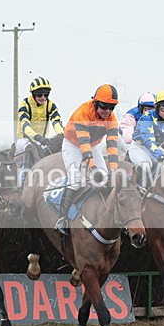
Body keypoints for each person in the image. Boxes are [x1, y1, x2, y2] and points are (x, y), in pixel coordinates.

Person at [55, 84, 120, 234]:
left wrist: (114, 169)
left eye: (111, 107)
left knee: (104, 178)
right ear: (96, 103)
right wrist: (92, 168)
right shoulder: (82, 113)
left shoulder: (112, 120)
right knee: (76, 179)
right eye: (104, 106)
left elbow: (112, 147)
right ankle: (62, 218)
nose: (108, 111)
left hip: (93, 146)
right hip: (73, 145)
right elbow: (84, 146)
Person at [129, 90, 164, 188]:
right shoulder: (147, 117)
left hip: (156, 148)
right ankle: (137, 186)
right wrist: (161, 157)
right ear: (157, 108)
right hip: (139, 147)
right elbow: (148, 140)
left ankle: (157, 186)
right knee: (146, 166)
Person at [15, 76, 65, 181]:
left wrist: (62, 134)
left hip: (41, 140)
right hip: (24, 140)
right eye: (39, 94)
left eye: (46, 94)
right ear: (33, 94)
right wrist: (37, 137)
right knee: (30, 147)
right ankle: (26, 180)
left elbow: (56, 122)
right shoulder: (25, 104)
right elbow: (25, 126)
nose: (43, 97)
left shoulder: (50, 105)